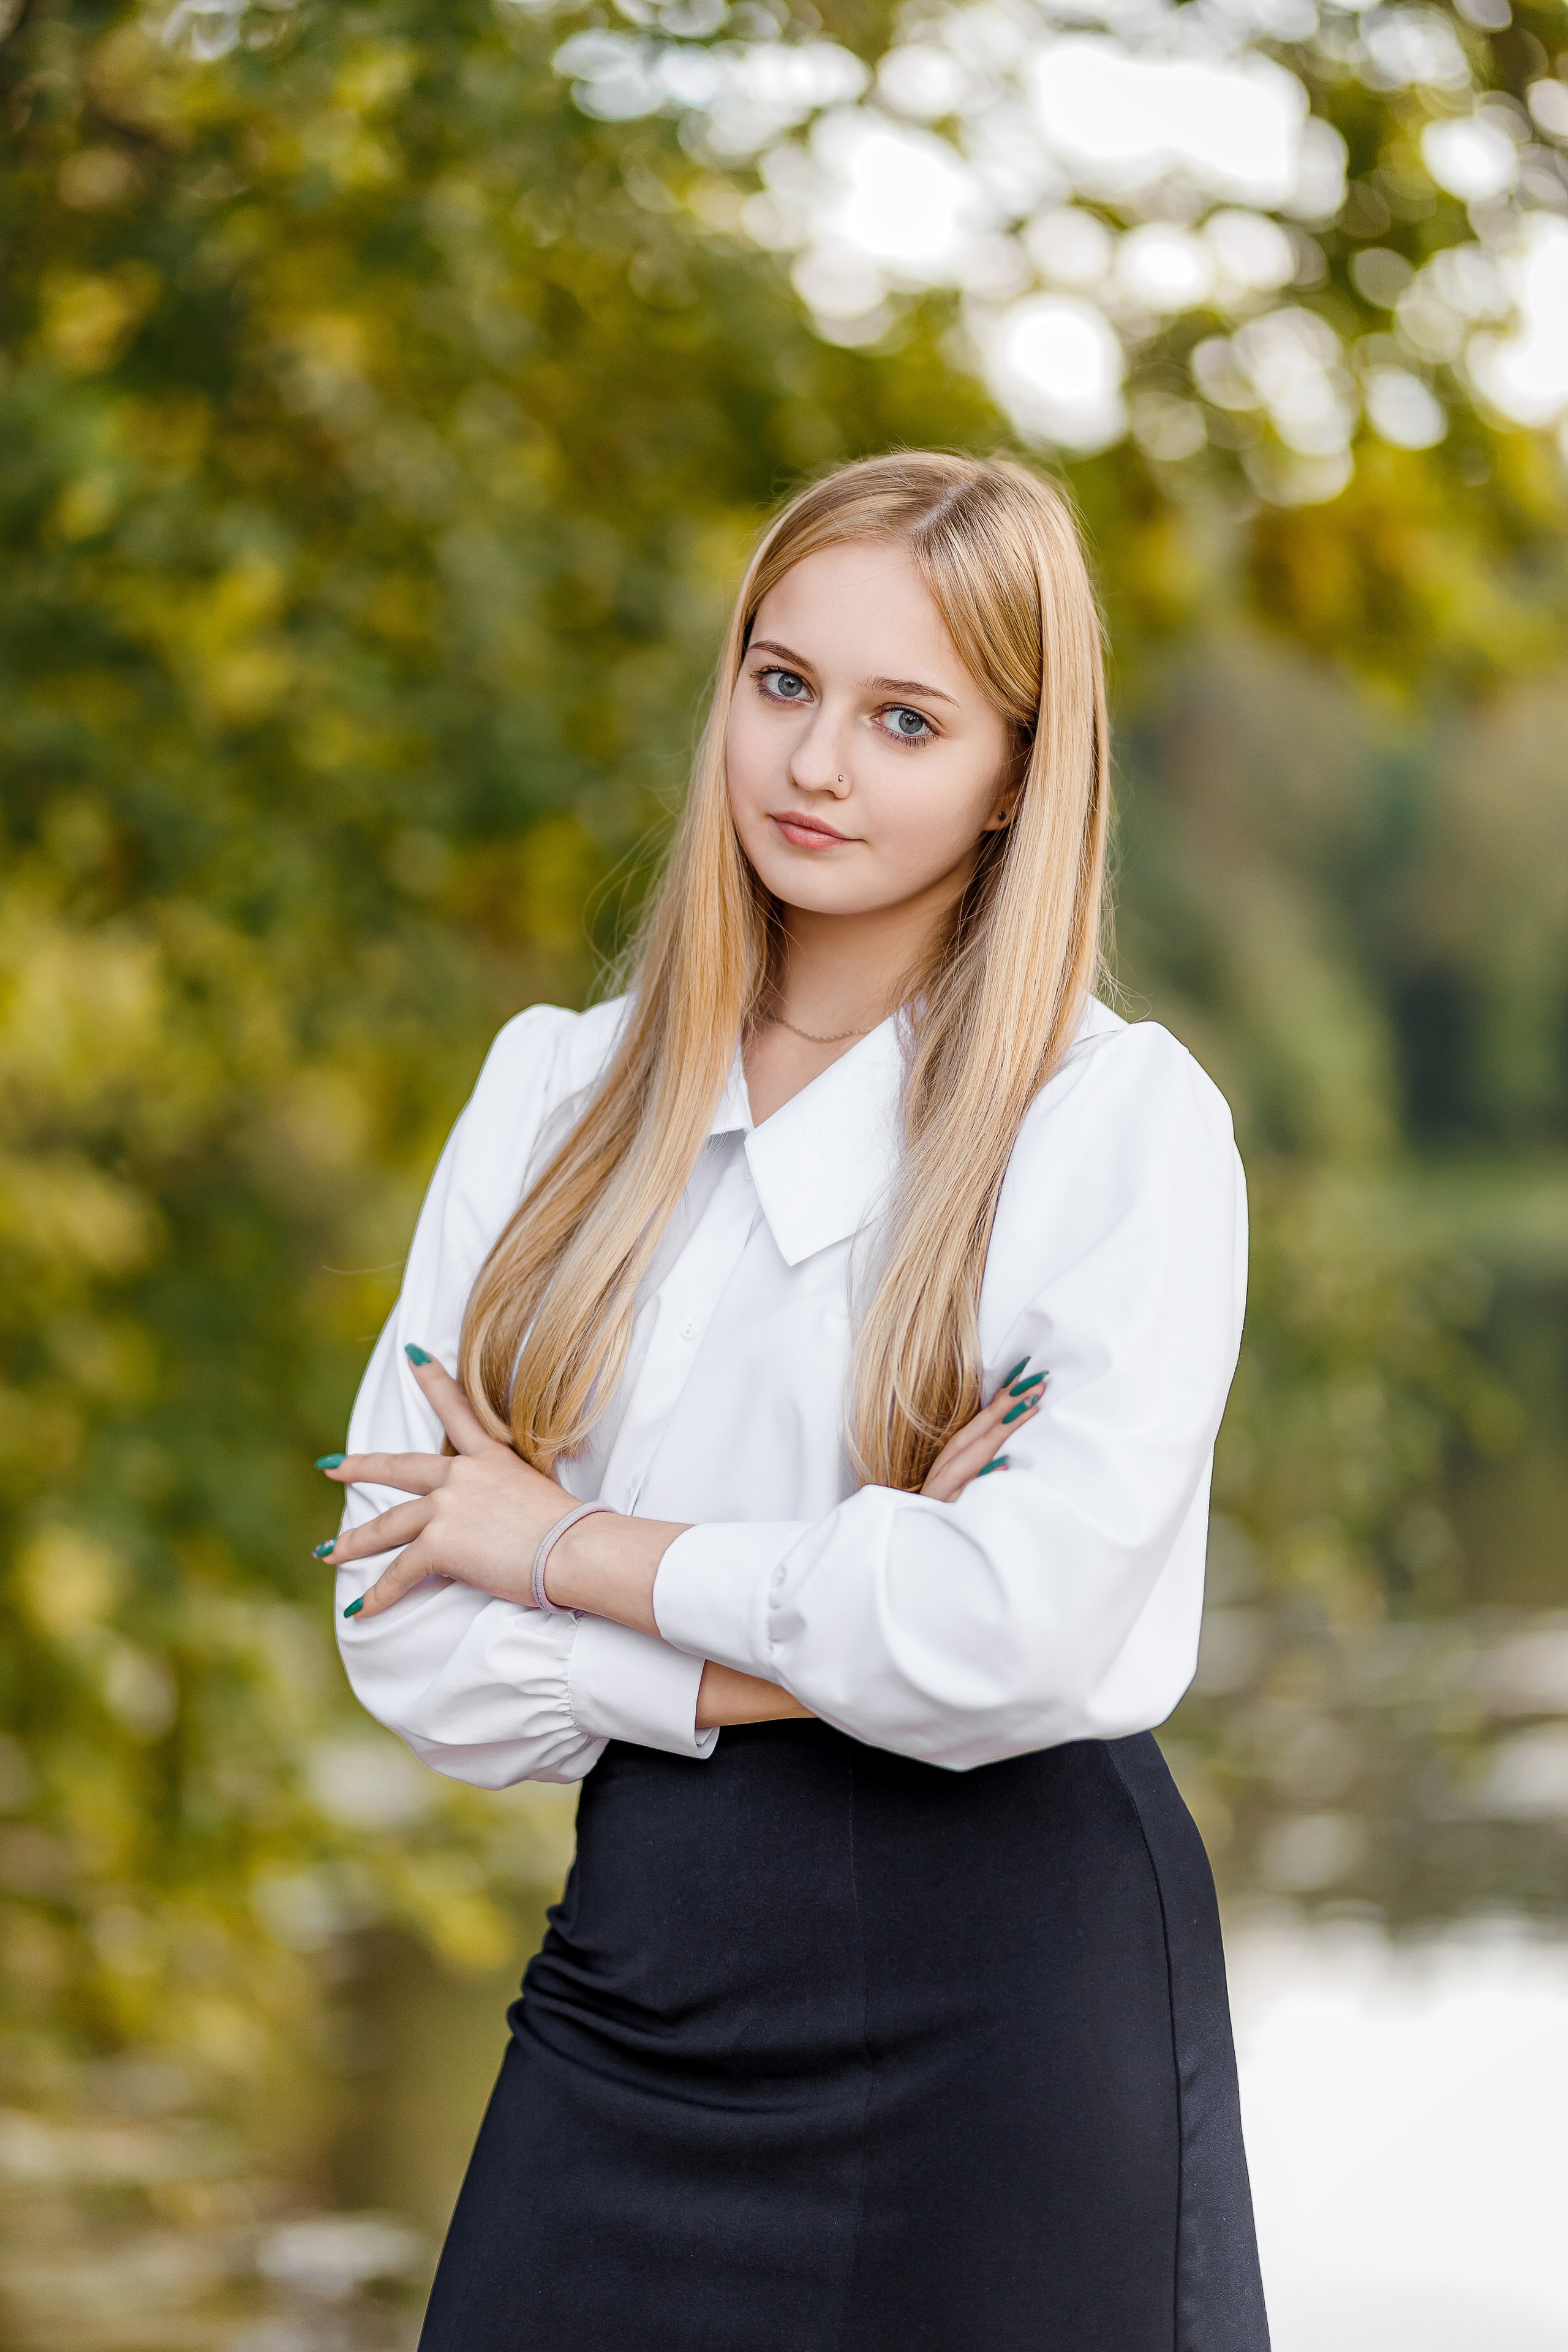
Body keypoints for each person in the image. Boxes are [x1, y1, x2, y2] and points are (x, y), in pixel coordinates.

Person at [320, 451, 1268, 2351]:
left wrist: (569, 1550)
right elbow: (398, 1624)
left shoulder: (1112, 1127)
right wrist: (826, 1616)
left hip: (1013, 2004)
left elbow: (1016, 1634)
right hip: (643, 1976)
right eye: (783, 683)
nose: (816, 764)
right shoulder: (552, 1097)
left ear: (1016, 771)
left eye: (904, 719)